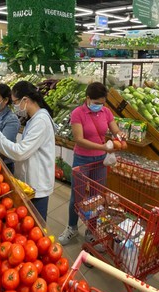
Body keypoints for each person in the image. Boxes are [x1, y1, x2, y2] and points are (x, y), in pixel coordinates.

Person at [58, 82, 123, 246]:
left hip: (101, 161)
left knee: (97, 197)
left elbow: (115, 129)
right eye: (97, 102)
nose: (99, 106)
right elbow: (79, 139)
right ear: (88, 98)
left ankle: (91, 230)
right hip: (82, 159)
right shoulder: (77, 113)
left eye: (102, 103)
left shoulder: (106, 112)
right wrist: (102, 147)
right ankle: (72, 228)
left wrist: (119, 135)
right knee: (77, 196)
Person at [0, 81, 56, 220]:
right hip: (30, 180)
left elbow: (20, 152)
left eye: (15, 102)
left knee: (37, 224)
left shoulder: (41, 121)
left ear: (25, 100)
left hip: (37, 184)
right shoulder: (34, 119)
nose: (14, 106)